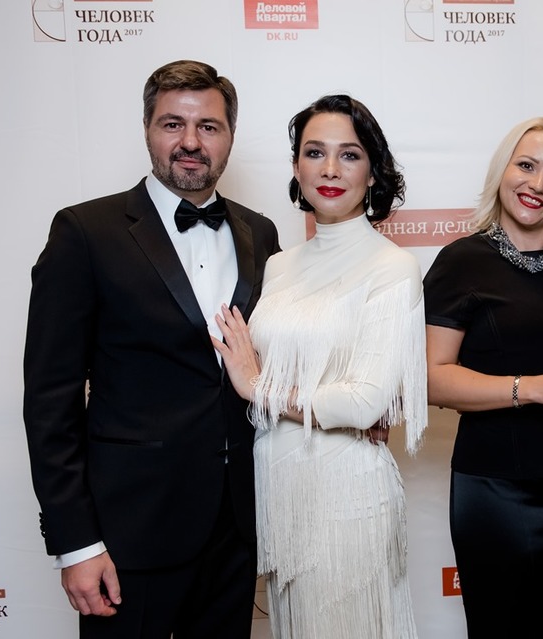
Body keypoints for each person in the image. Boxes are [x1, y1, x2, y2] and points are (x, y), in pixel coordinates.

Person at [22, 59, 280, 638]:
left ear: (230, 136)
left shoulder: (260, 232)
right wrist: (76, 543)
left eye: (208, 126)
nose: (190, 142)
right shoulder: (85, 232)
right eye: (172, 124)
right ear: (147, 129)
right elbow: (50, 402)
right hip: (127, 535)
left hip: (237, 529)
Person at [211, 94, 427, 638]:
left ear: (373, 172)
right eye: (314, 153)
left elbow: (366, 402)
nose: (330, 169)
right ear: (296, 167)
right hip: (278, 492)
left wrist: (257, 387)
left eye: (349, 155)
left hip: (346, 498)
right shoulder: (278, 266)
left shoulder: (394, 267)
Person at [423, 117, 543, 638]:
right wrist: (533, 387)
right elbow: (432, 380)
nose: (537, 184)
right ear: (502, 171)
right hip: (496, 493)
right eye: (526, 165)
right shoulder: (461, 262)